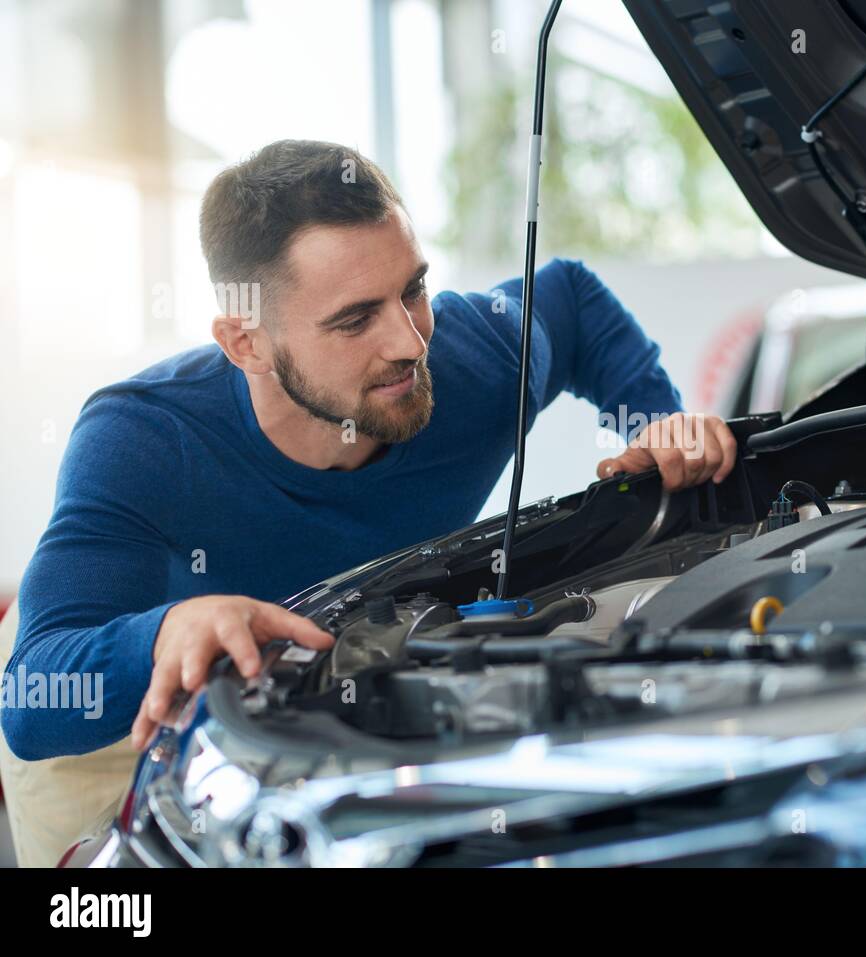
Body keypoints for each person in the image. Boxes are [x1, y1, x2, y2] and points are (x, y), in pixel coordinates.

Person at [0, 140, 736, 859]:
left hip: (325, 691)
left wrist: (655, 422)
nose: (410, 341)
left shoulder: (472, 362)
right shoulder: (143, 440)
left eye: (413, 288)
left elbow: (572, 298)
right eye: (354, 319)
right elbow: (34, 703)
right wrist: (165, 631)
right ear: (245, 343)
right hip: (120, 716)